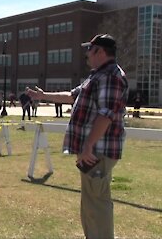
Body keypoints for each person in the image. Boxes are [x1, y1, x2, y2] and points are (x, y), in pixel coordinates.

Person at [27, 34, 128, 239]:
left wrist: (88, 145)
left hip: (98, 151)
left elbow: (106, 114)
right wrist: (43, 95)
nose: (87, 54)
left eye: (89, 49)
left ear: (99, 51)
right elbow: (72, 96)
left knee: (97, 205)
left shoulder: (110, 76)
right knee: (91, 203)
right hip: (93, 151)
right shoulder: (97, 75)